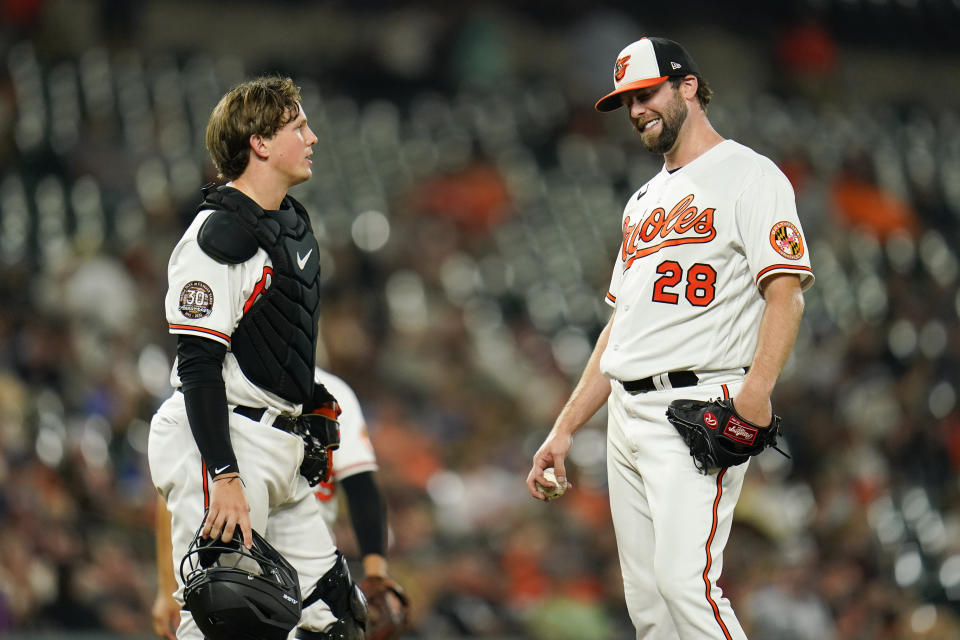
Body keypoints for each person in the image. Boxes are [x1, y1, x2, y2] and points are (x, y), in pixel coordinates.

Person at [526, 37, 814, 639]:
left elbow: (786, 292)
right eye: (627, 101)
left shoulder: (751, 175)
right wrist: (565, 426)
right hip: (626, 415)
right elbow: (620, 328)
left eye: (646, 93)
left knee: (686, 583)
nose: (635, 111)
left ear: (688, 86)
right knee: (650, 605)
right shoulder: (641, 202)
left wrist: (755, 395)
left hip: (697, 404)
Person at [148, 76, 365, 639]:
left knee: (336, 617)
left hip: (279, 447)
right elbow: (198, 366)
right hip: (223, 444)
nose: (312, 137)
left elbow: (275, 347)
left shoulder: (289, 224)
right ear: (260, 143)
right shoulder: (218, 237)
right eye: (298, 127)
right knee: (224, 622)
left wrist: (306, 413)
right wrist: (223, 475)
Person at [152, 366, 402, 639]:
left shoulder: (332, 391)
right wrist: (167, 589)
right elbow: (173, 506)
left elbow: (362, 489)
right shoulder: (228, 385)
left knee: (335, 624)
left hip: (309, 561)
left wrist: (375, 573)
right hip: (246, 564)